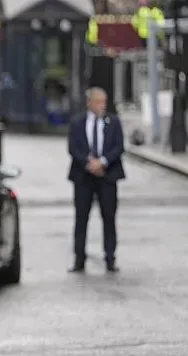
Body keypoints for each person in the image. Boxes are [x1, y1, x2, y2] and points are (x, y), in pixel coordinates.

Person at [67, 86, 125, 273]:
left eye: (104, 102)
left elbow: (119, 146)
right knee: (81, 218)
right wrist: (88, 163)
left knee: (109, 217)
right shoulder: (77, 123)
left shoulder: (113, 122)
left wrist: (103, 162)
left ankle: (110, 258)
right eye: (99, 102)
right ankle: (79, 258)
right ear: (89, 102)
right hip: (83, 177)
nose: (102, 105)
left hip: (107, 176)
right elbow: (73, 147)